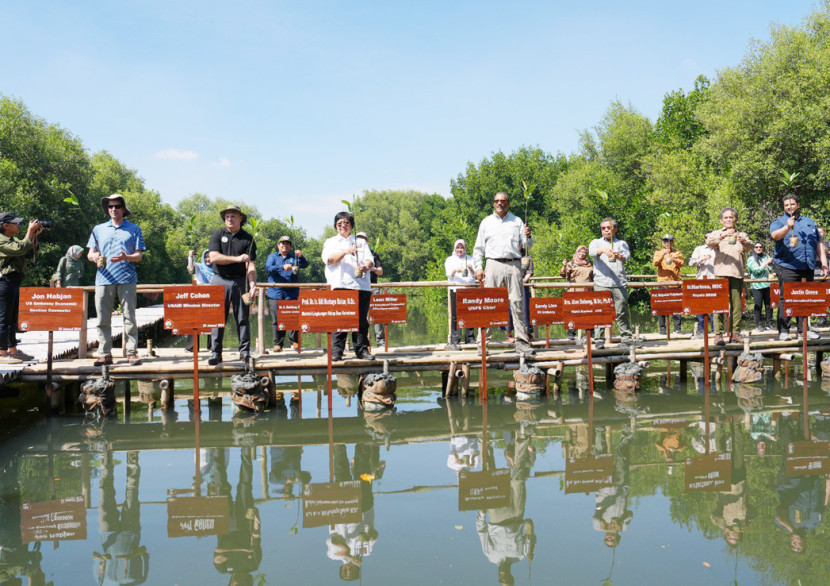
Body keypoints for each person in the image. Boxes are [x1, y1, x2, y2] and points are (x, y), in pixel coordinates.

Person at [472, 192, 535, 356]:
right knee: (489, 304)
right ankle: (483, 343)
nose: (500, 203)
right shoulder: (486, 222)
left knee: (517, 303)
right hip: (493, 264)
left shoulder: (517, 221)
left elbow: (527, 246)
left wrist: (529, 236)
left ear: (508, 203)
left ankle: (521, 342)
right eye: (497, 201)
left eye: (503, 201)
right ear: (493, 203)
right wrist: (478, 267)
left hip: (514, 264)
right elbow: (478, 248)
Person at [87, 194, 145, 366]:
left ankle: (132, 353)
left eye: (117, 206)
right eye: (110, 207)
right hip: (103, 278)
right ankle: (104, 353)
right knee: (102, 318)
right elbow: (90, 253)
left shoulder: (134, 229)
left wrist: (126, 257)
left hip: (127, 278)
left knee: (129, 316)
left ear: (123, 209)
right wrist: (94, 256)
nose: (113, 209)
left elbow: (139, 256)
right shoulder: (98, 229)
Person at [770, 193, 828, 340]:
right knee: (786, 298)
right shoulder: (779, 221)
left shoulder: (809, 222)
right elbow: (775, 236)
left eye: (792, 204)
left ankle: (803, 330)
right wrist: (787, 227)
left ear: (798, 205)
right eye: (786, 205)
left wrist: (824, 264)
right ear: (784, 207)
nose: (789, 207)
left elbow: (819, 243)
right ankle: (784, 331)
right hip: (786, 266)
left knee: (805, 297)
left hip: (807, 266)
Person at [208, 205, 258, 365]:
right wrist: (237, 259)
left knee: (243, 319)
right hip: (219, 279)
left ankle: (244, 353)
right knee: (217, 319)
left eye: (233, 216)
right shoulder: (217, 234)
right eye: (227, 216)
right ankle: (216, 353)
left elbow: (251, 266)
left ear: (240, 218)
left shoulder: (248, 239)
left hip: (240, 281)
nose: (229, 219)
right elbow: (214, 257)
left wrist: (253, 285)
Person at [322, 212, 375, 361]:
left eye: (346, 223)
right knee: (340, 320)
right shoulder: (331, 242)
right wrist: (346, 252)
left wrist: (364, 267)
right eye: (339, 223)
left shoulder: (361, 242)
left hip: (361, 285)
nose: (343, 226)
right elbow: (330, 260)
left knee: (361, 320)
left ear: (351, 225)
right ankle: (337, 351)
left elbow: (370, 260)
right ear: (335, 226)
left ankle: (362, 350)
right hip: (340, 285)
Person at [588, 217, 637, 348]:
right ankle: (599, 340)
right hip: (601, 283)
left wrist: (619, 256)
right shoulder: (596, 242)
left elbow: (626, 256)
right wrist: (603, 250)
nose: (606, 231)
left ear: (614, 229)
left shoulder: (621, 243)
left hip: (619, 283)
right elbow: (591, 252)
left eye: (608, 228)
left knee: (622, 311)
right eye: (603, 228)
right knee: (600, 311)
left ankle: (626, 338)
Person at [705, 208, 752, 346]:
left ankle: (735, 333)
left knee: (737, 305)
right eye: (725, 218)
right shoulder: (716, 233)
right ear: (721, 220)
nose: (728, 220)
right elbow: (709, 243)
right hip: (720, 273)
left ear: (736, 220)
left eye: (731, 218)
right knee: (719, 304)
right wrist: (723, 236)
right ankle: (718, 334)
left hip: (737, 273)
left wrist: (743, 241)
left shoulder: (741, 234)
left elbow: (751, 246)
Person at [0, 213, 41, 364]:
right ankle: (2, 354)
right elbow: (21, 249)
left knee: (12, 319)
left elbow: (30, 253)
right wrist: (29, 232)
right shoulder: (1, 240)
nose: (19, 225)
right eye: (15, 223)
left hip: (13, 281)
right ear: (5, 226)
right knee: (3, 319)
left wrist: (34, 236)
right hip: (4, 281)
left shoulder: (12, 240)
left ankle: (13, 351)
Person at [265, 235, 308, 352]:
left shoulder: (293, 257)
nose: (285, 245)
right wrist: (282, 267)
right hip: (275, 293)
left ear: (290, 246)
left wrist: (301, 256)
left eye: (287, 244)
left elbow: (305, 264)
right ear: (278, 245)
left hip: (291, 293)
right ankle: (277, 344)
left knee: (293, 317)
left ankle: (294, 341)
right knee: (276, 320)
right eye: (282, 243)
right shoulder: (272, 256)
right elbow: (269, 268)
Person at [445, 239, 476, 350]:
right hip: (456, 289)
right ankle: (455, 337)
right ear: (455, 248)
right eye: (458, 248)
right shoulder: (450, 259)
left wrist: (472, 269)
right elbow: (448, 273)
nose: (460, 250)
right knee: (455, 315)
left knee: (469, 314)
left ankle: (470, 337)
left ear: (464, 248)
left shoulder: (470, 258)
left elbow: (475, 275)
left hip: (468, 289)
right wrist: (455, 270)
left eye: (461, 248)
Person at [355, 232, 385, 346]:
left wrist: (371, 268)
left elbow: (380, 272)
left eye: (363, 239)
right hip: (357, 287)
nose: (361, 241)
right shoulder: (352, 253)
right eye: (358, 238)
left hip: (373, 287)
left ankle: (380, 341)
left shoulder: (373, 254)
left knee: (376, 314)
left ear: (367, 241)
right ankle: (358, 343)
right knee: (357, 315)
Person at [652, 234, 684, 335]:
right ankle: (662, 329)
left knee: (677, 307)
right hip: (663, 283)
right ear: (662, 242)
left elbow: (682, 263)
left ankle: (677, 329)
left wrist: (674, 259)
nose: (667, 243)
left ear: (672, 242)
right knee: (661, 307)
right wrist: (663, 255)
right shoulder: (658, 252)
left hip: (675, 283)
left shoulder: (677, 252)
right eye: (665, 241)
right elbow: (655, 263)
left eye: (669, 241)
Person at [560, 245, 594, 341]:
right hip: (574, 291)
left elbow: (593, 275)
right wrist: (564, 266)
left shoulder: (589, 263)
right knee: (573, 312)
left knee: (588, 312)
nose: (582, 254)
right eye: (580, 252)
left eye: (584, 252)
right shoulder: (571, 263)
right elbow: (563, 274)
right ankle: (571, 333)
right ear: (576, 252)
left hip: (588, 291)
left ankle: (590, 332)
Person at [185, 249, 215, 353]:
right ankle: (191, 347)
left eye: (210, 257)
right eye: (206, 257)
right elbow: (191, 266)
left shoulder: (217, 269)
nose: (208, 259)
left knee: (213, 323)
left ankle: (213, 347)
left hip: (212, 299)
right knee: (194, 322)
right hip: (198, 298)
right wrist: (190, 256)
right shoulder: (198, 267)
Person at [689, 232, 716, 339]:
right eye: (706, 237)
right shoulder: (699, 249)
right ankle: (701, 331)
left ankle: (715, 331)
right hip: (701, 281)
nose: (708, 239)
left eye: (710, 237)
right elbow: (691, 263)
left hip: (714, 282)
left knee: (715, 308)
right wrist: (702, 259)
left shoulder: (718, 249)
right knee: (701, 307)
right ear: (704, 239)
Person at [746, 242, 775, 332]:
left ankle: (769, 324)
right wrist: (766, 263)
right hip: (756, 285)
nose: (758, 248)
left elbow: (769, 270)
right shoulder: (751, 259)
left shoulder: (765, 257)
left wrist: (770, 264)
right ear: (753, 248)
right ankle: (758, 324)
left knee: (769, 306)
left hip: (767, 284)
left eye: (760, 247)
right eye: (756, 247)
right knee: (758, 305)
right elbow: (756, 271)